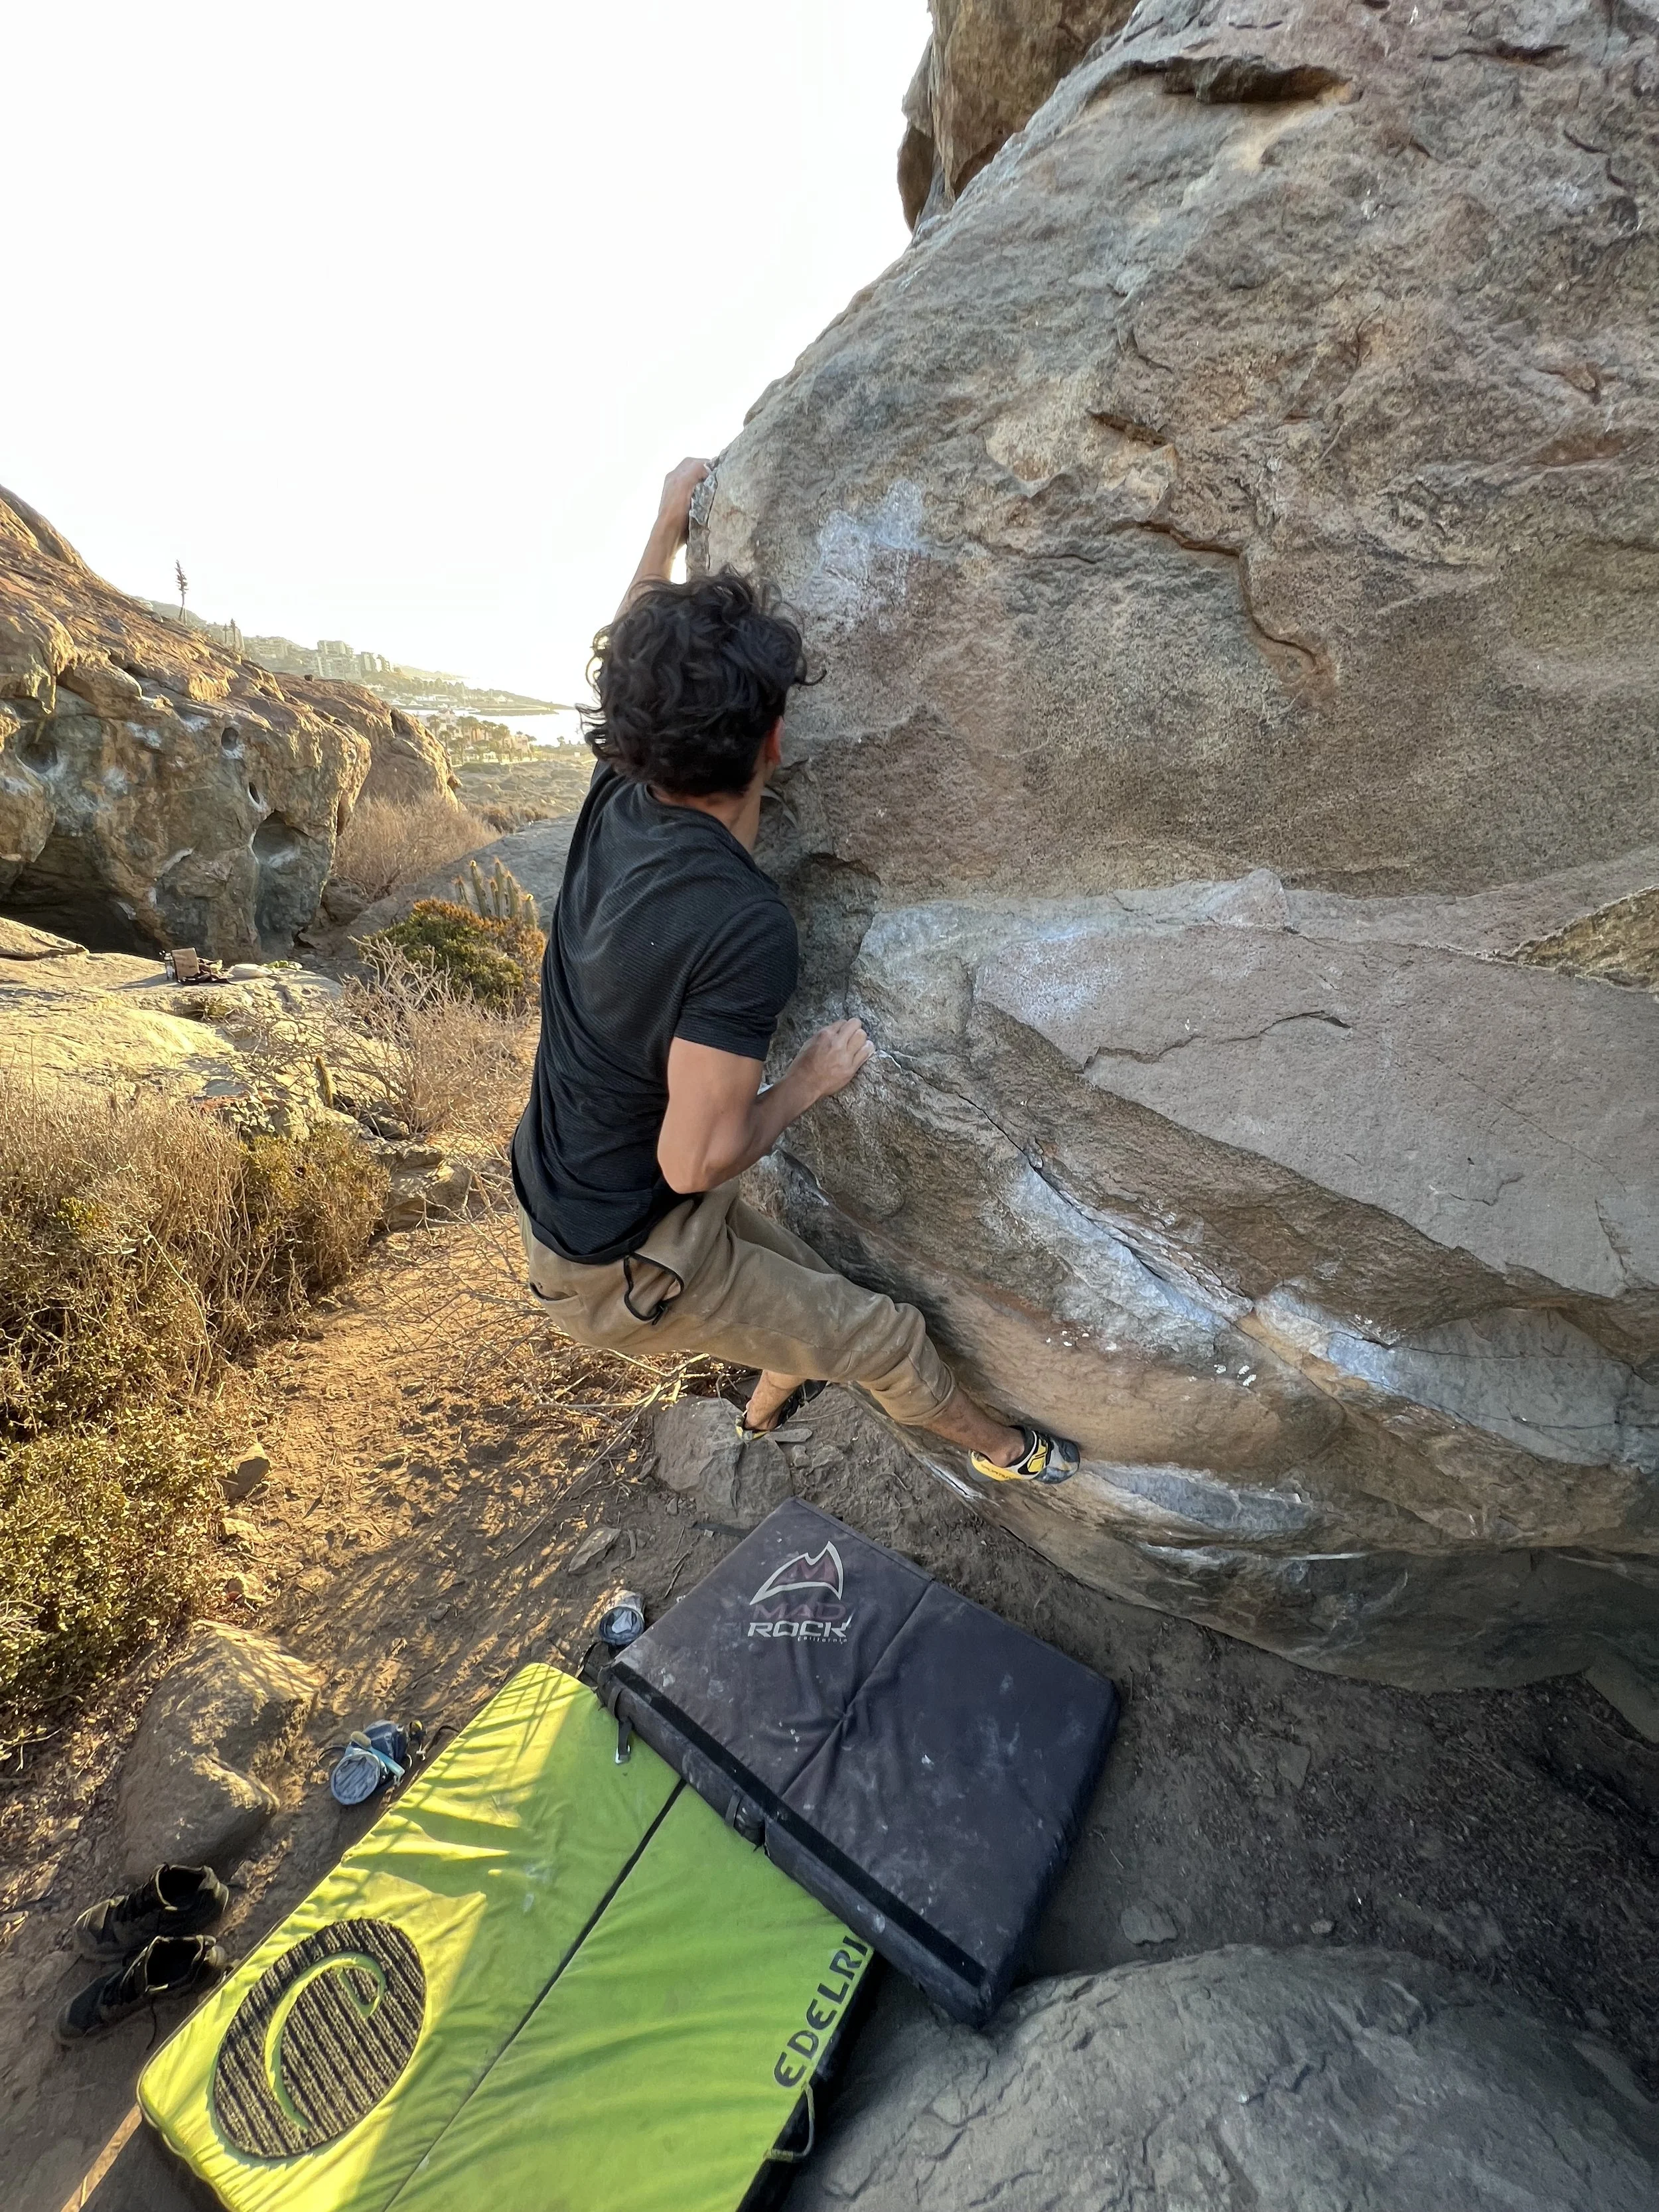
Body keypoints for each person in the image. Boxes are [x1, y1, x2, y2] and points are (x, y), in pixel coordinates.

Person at [510, 457, 1078, 1484]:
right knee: (888, 1340)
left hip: (582, 1187)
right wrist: (807, 1084)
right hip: (620, 1262)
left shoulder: (618, 796)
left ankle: (770, 1396)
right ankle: (1009, 1458)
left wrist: (665, 526)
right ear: (777, 740)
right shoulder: (739, 923)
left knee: (809, 1291)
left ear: (635, 734)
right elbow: (698, 1162)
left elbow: (635, 662)